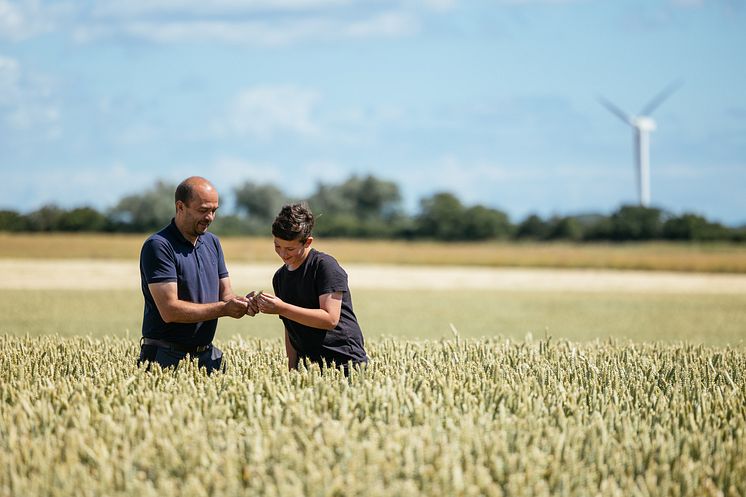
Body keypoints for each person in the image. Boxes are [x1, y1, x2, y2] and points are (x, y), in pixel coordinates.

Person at [138, 176, 255, 373]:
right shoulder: (159, 246)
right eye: (203, 210)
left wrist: (244, 303)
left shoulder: (212, 243)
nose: (209, 217)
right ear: (180, 207)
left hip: (207, 357)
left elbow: (226, 295)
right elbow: (170, 310)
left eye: (214, 211)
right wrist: (225, 309)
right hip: (165, 358)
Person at [255, 203, 368, 374]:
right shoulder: (280, 277)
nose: (283, 254)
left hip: (344, 363)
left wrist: (282, 308)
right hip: (308, 368)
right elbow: (290, 328)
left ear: (307, 242)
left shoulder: (324, 266)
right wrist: (292, 369)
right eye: (277, 246)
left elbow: (330, 319)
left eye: (290, 248)